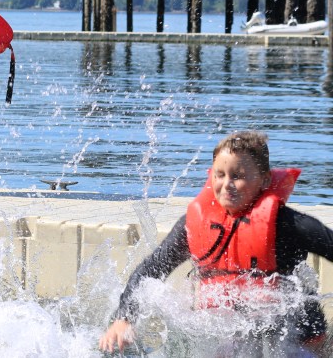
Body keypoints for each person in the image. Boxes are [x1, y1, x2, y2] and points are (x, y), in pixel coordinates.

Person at [99, 132, 333, 355]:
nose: (227, 184)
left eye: (238, 176)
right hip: (236, 330)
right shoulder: (194, 226)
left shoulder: (288, 225)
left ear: (265, 180)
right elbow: (150, 270)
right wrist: (124, 319)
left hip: (296, 332)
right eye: (220, 175)